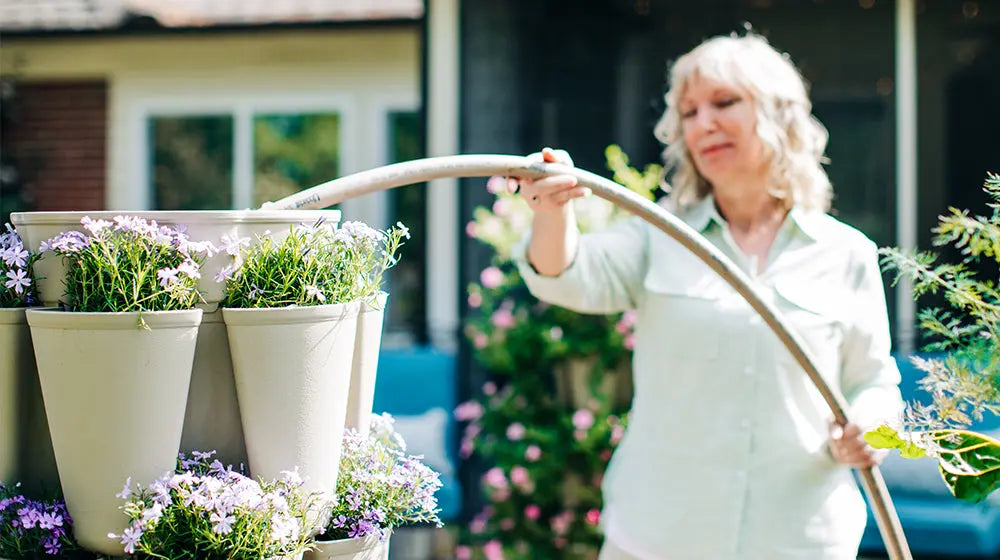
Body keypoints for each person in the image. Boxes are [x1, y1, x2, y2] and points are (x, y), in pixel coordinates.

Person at [502, 33, 904, 559]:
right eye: (689, 112)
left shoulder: (846, 253)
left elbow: (873, 381)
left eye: (724, 102)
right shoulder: (659, 233)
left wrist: (870, 427)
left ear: (779, 114)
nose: (703, 123)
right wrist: (553, 211)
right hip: (657, 539)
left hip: (799, 539)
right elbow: (566, 274)